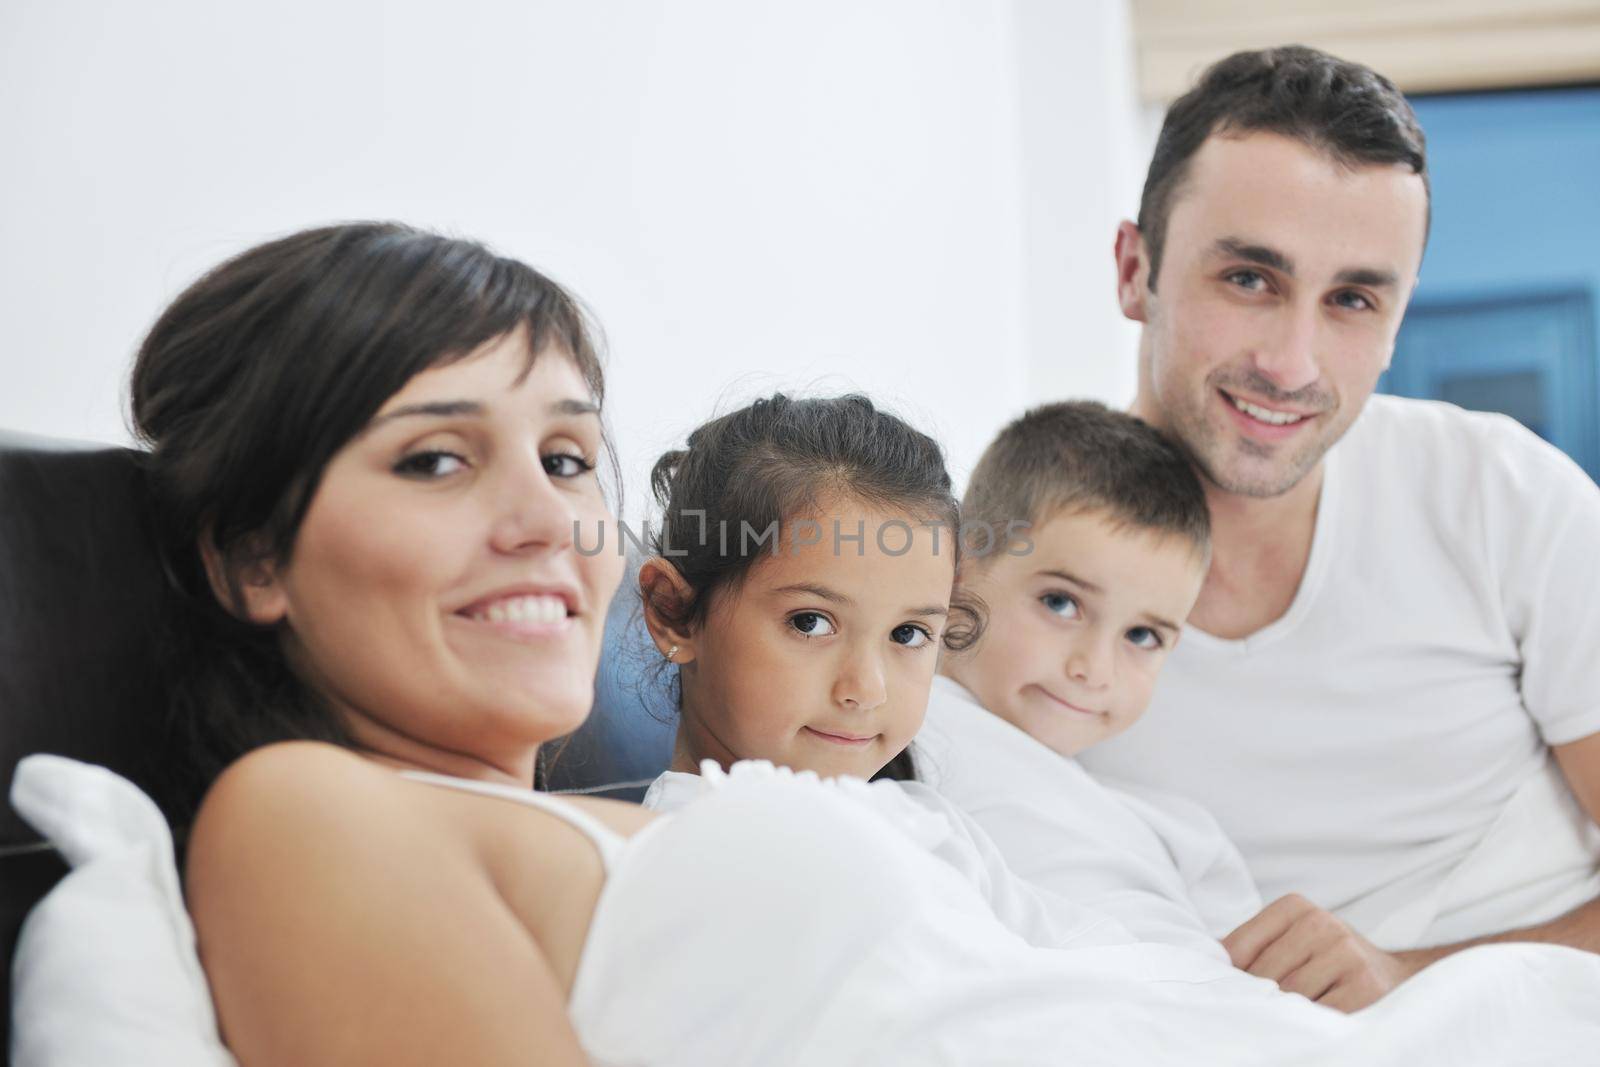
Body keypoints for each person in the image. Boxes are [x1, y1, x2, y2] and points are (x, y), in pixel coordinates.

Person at [127, 221, 1600, 1065]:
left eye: (571, 460)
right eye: (439, 461)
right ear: (253, 553)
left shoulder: (667, 809)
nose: (540, 519)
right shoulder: (310, 813)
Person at [1073, 44, 1600, 1012]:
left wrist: (1409, 975)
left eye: (1352, 299)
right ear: (1132, 269)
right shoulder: (997, 578)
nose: (1290, 361)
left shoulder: (1503, 495)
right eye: (1247, 279)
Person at [633, 392, 1133, 952]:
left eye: (908, 635)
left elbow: (1091, 952)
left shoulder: (927, 822)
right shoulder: (691, 861)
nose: (867, 689)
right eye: (810, 623)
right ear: (673, 613)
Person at [920, 399, 1262, 958]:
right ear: (956, 572)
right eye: (1061, 603)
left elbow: (1260, 975)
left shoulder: (1177, 830)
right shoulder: (900, 722)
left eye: (1142, 637)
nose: (1094, 670)